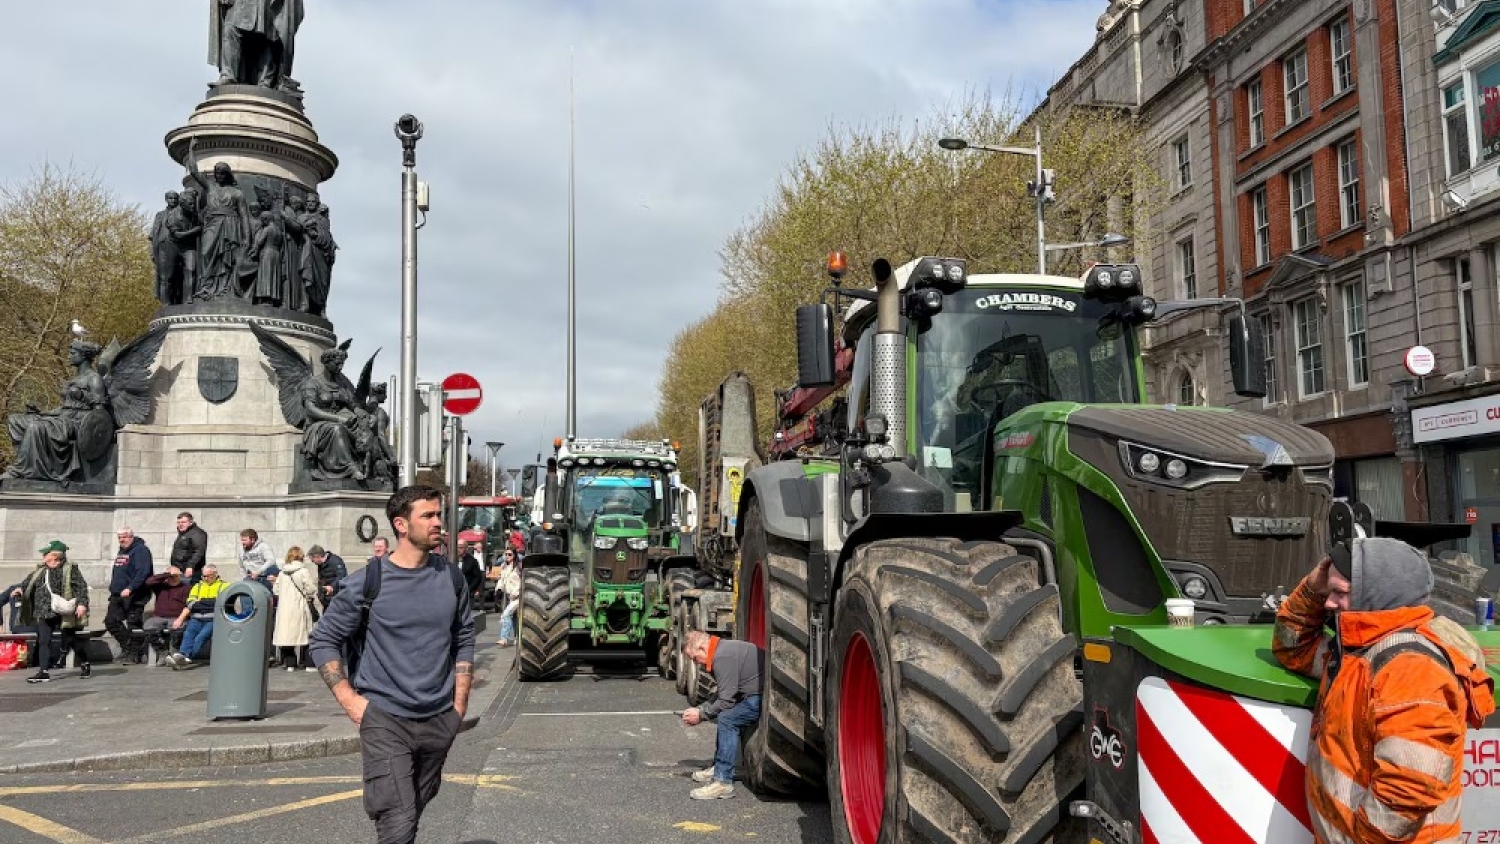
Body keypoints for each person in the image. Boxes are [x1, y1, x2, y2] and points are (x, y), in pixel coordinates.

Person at [1274, 537, 1496, 843]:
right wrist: (1313, 587)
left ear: (1375, 596)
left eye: (1340, 593)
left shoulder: (1410, 667)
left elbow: (1407, 792)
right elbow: (1292, 645)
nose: (1328, 602)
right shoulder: (1359, 651)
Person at [309, 485, 476, 844]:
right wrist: (352, 702)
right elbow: (323, 640)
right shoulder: (366, 583)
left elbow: (464, 637)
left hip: (438, 716)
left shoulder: (451, 578)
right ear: (401, 525)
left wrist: (459, 704)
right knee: (396, 818)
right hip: (385, 718)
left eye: (438, 514)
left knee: (416, 803)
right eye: (428, 516)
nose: (438, 523)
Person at [680, 630, 765, 800]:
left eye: (695, 658)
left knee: (727, 719)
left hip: (760, 697)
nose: (697, 663)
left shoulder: (722, 657)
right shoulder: (722, 650)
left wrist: (702, 715)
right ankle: (720, 766)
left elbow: (726, 701)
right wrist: (702, 708)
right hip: (754, 693)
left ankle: (723, 782)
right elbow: (723, 692)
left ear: (702, 648)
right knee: (725, 716)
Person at [11, 541, 91, 682]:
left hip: (64, 612)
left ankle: (84, 662)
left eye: (46, 554)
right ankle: (43, 672)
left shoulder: (70, 569)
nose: (43, 557)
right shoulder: (41, 570)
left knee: (70, 640)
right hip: (44, 611)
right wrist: (20, 589)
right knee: (44, 641)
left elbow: (81, 587)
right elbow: (28, 583)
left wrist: (82, 604)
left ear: (55, 556)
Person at [105, 527, 154, 665]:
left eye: (125, 536)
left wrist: (130, 587)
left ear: (132, 536)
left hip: (135, 594)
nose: (122, 539)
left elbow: (143, 572)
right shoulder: (122, 551)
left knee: (134, 624)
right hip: (117, 594)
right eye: (119, 537)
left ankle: (134, 654)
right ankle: (128, 647)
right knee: (111, 622)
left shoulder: (141, 550)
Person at [168, 566, 229, 669]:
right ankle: (182, 655)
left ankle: (185, 657)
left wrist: (201, 602)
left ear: (215, 574)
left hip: (213, 619)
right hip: (196, 617)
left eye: (207, 576)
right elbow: (190, 602)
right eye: (203, 576)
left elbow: (221, 603)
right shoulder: (197, 586)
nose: (205, 578)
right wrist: (209, 603)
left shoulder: (224, 586)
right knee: (188, 635)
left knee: (201, 637)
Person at [273, 546, 320, 671]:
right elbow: (310, 589)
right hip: (299, 607)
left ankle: (290, 664)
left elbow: (276, 590)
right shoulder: (303, 571)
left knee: (287, 636)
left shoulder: (282, 572)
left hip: (285, 608)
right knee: (305, 634)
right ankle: (309, 664)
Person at [142, 566, 192, 660]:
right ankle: (162, 653)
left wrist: (180, 619)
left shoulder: (186, 588)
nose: (171, 578)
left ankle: (175, 654)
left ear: (178, 576)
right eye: (169, 576)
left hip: (177, 617)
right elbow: (149, 581)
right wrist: (167, 574)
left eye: (174, 576)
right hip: (159, 617)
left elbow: (188, 606)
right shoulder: (160, 587)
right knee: (149, 627)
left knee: (178, 631)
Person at [170, 512, 208, 583]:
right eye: (178, 522)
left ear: (191, 522)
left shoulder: (197, 533)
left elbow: (199, 551)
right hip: (180, 570)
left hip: (190, 571)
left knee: (188, 590)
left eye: (183, 522)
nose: (180, 524)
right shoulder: (184, 533)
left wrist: (190, 566)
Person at [495, 551, 521, 647]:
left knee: (506, 614)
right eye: (505, 554)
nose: (507, 556)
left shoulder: (518, 566)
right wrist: (498, 590)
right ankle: (517, 637)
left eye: (510, 554)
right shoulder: (504, 566)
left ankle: (504, 638)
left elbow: (522, 581)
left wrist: (516, 593)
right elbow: (502, 579)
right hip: (510, 597)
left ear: (514, 555)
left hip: (518, 597)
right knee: (514, 618)